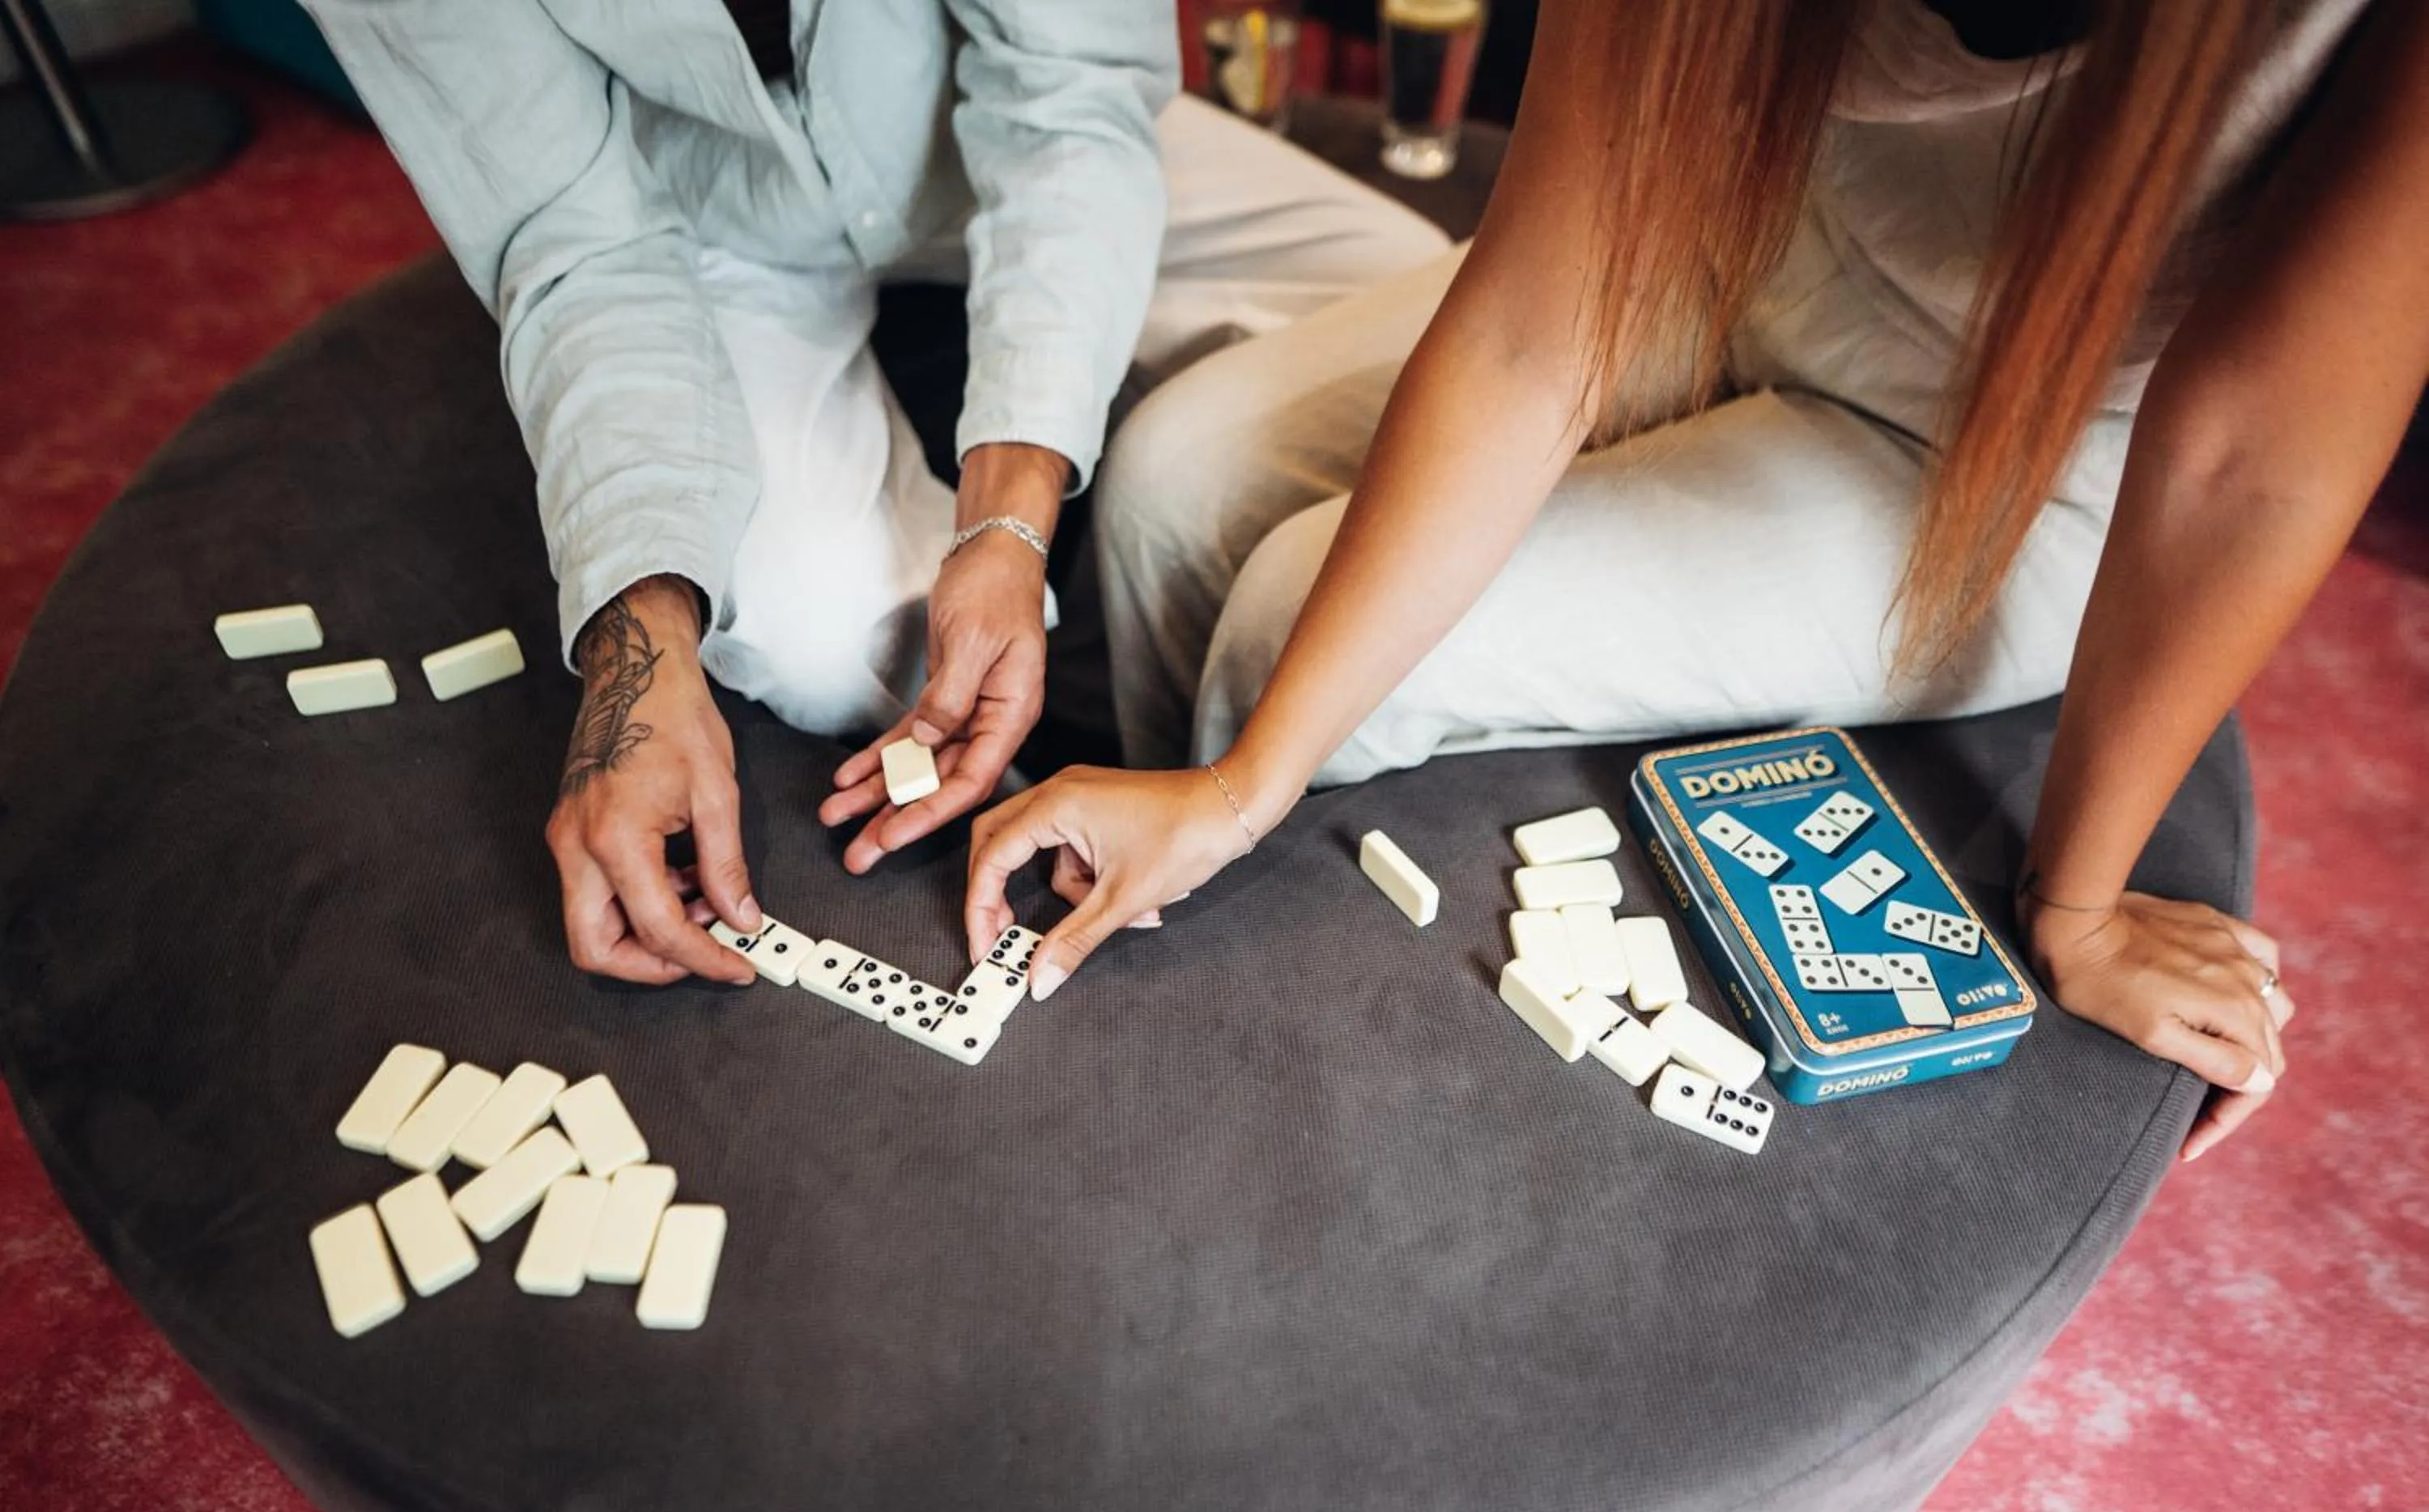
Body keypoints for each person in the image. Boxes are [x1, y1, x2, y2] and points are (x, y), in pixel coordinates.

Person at [966, 0, 2429, 1162]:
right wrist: (1222, 794)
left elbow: (2245, 455)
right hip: (1737, 225)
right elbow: (1536, 327)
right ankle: (1124, 947)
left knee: (1295, 612)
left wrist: (2086, 907)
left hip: (2008, 456)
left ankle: (1217, 1079)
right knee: (1166, 482)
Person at [300, 0, 1449, 987]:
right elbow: (573, 247)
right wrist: (633, 651)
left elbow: (1069, 97)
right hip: (701, 223)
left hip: (1000, 125)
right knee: (836, 647)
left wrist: (1010, 518)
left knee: (1437, 326)